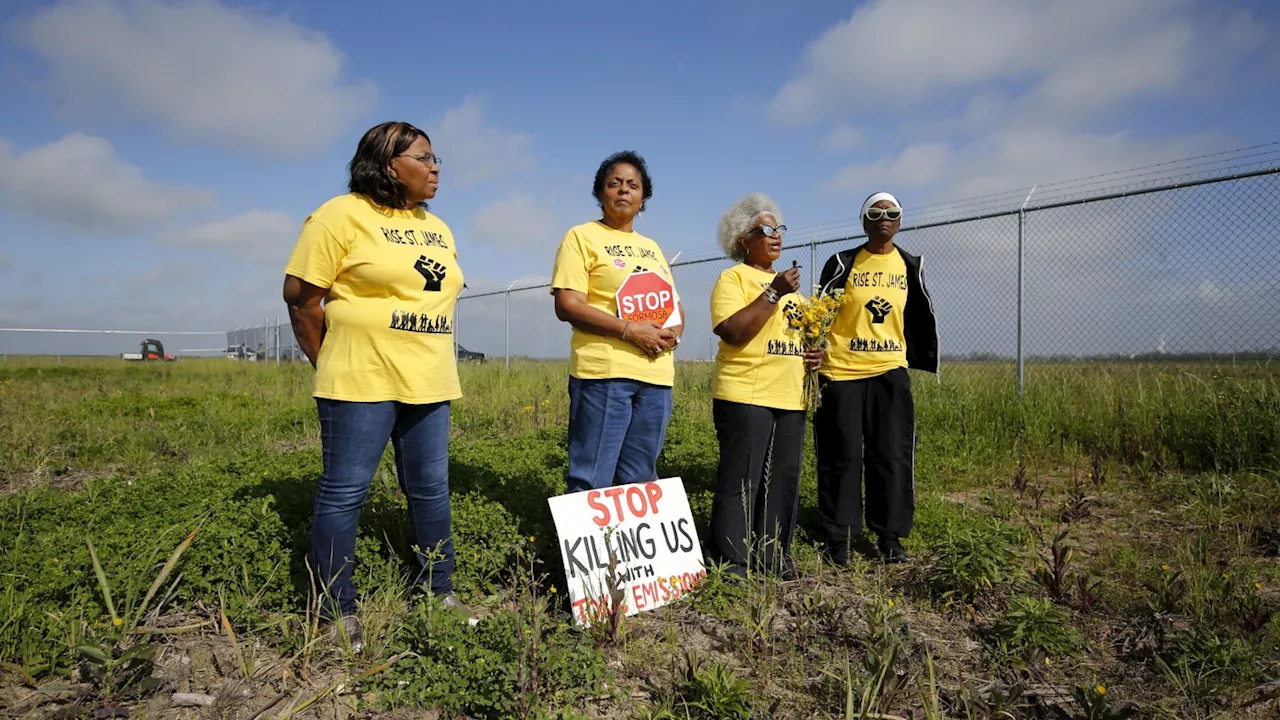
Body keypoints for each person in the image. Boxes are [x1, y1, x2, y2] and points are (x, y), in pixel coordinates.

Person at [282, 121, 474, 649]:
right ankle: (333, 610)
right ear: (390, 165)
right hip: (359, 379)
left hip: (429, 379)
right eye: (425, 158)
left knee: (430, 491)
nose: (436, 167)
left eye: (437, 159)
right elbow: (302, 299)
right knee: (345, 493)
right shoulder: (340, 214)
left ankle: (440, 593)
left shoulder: (436, 226)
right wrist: (333, 361)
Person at [814, 192, 939, 565]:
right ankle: (839, 538)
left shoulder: (909, 265)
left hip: (890, 373)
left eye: (892, 212)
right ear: (864, 220)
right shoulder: (842, 263)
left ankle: (890, 536)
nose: (884, 217)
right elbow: (820, 313)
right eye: (875, 212)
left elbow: (916, 315)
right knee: (843, 455)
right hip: (841, 372)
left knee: (892, 455)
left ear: (900, 221)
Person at [550, 151, 684, 494]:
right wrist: (628, 329)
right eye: (614, 183)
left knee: (640, 478)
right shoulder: (581, 237)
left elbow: (674, 306)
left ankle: (625, 549)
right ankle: (589, 548)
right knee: (591, 477)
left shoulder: (651, 247)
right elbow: (568, 304)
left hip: (655, 377)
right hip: (604, 374)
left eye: (633, 185)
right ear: (600, 193)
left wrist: (673, 333)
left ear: (643, 198)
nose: (623, 190)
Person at [707, 193, 823, 579]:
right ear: (744, 238)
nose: (775, 236)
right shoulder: (733, 279)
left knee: (782, 480)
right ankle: (732, 561)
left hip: (791, 397)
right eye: (765, 230)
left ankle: (773, 554)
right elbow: (733, 332)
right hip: (746, 394)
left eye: (779, 230)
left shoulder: (797, 295)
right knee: (743, 479)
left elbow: (802, 340)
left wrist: (814, 355)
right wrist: (772, 292)